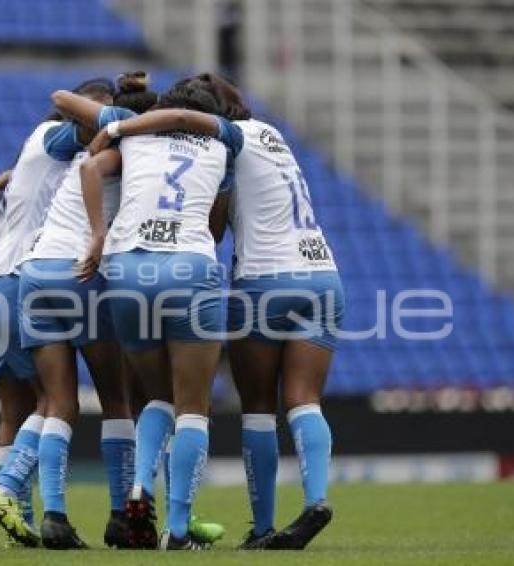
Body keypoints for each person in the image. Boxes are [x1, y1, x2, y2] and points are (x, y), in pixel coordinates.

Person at [77, 79, 243, 550]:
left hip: (127, 269)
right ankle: (176, 528)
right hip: (188, 268)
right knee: (193, 408)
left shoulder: (133, 137)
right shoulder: (224, 141)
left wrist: (96, 236)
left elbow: (91, 167)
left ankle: (138, 488)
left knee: (156, 397)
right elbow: (214, 229)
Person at [199, 72, 344, 550]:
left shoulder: (225, 143)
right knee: (304, 398)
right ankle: (316, 498)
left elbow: (215, 232)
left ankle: (262, 527)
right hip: (322, 274)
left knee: (258, 409)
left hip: (264, 281)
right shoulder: (271, 133)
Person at [16, 73, 157, 549]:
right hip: (79, 271)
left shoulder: (81, 149)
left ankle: (54, 514)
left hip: (35, 270)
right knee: (115, 399)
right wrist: (100, 235)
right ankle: (121, 514)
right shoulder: (136, 151)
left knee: (59, 403)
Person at [0, 78, 111, 547]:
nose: (106, 125)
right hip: (18, 282)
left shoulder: (40, 147)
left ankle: (20, 525)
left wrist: (12, 172)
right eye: (101, 113)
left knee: (16, 410)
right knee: (58, 404)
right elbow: (88, 138)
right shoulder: (58, 135)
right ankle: (6, 489)